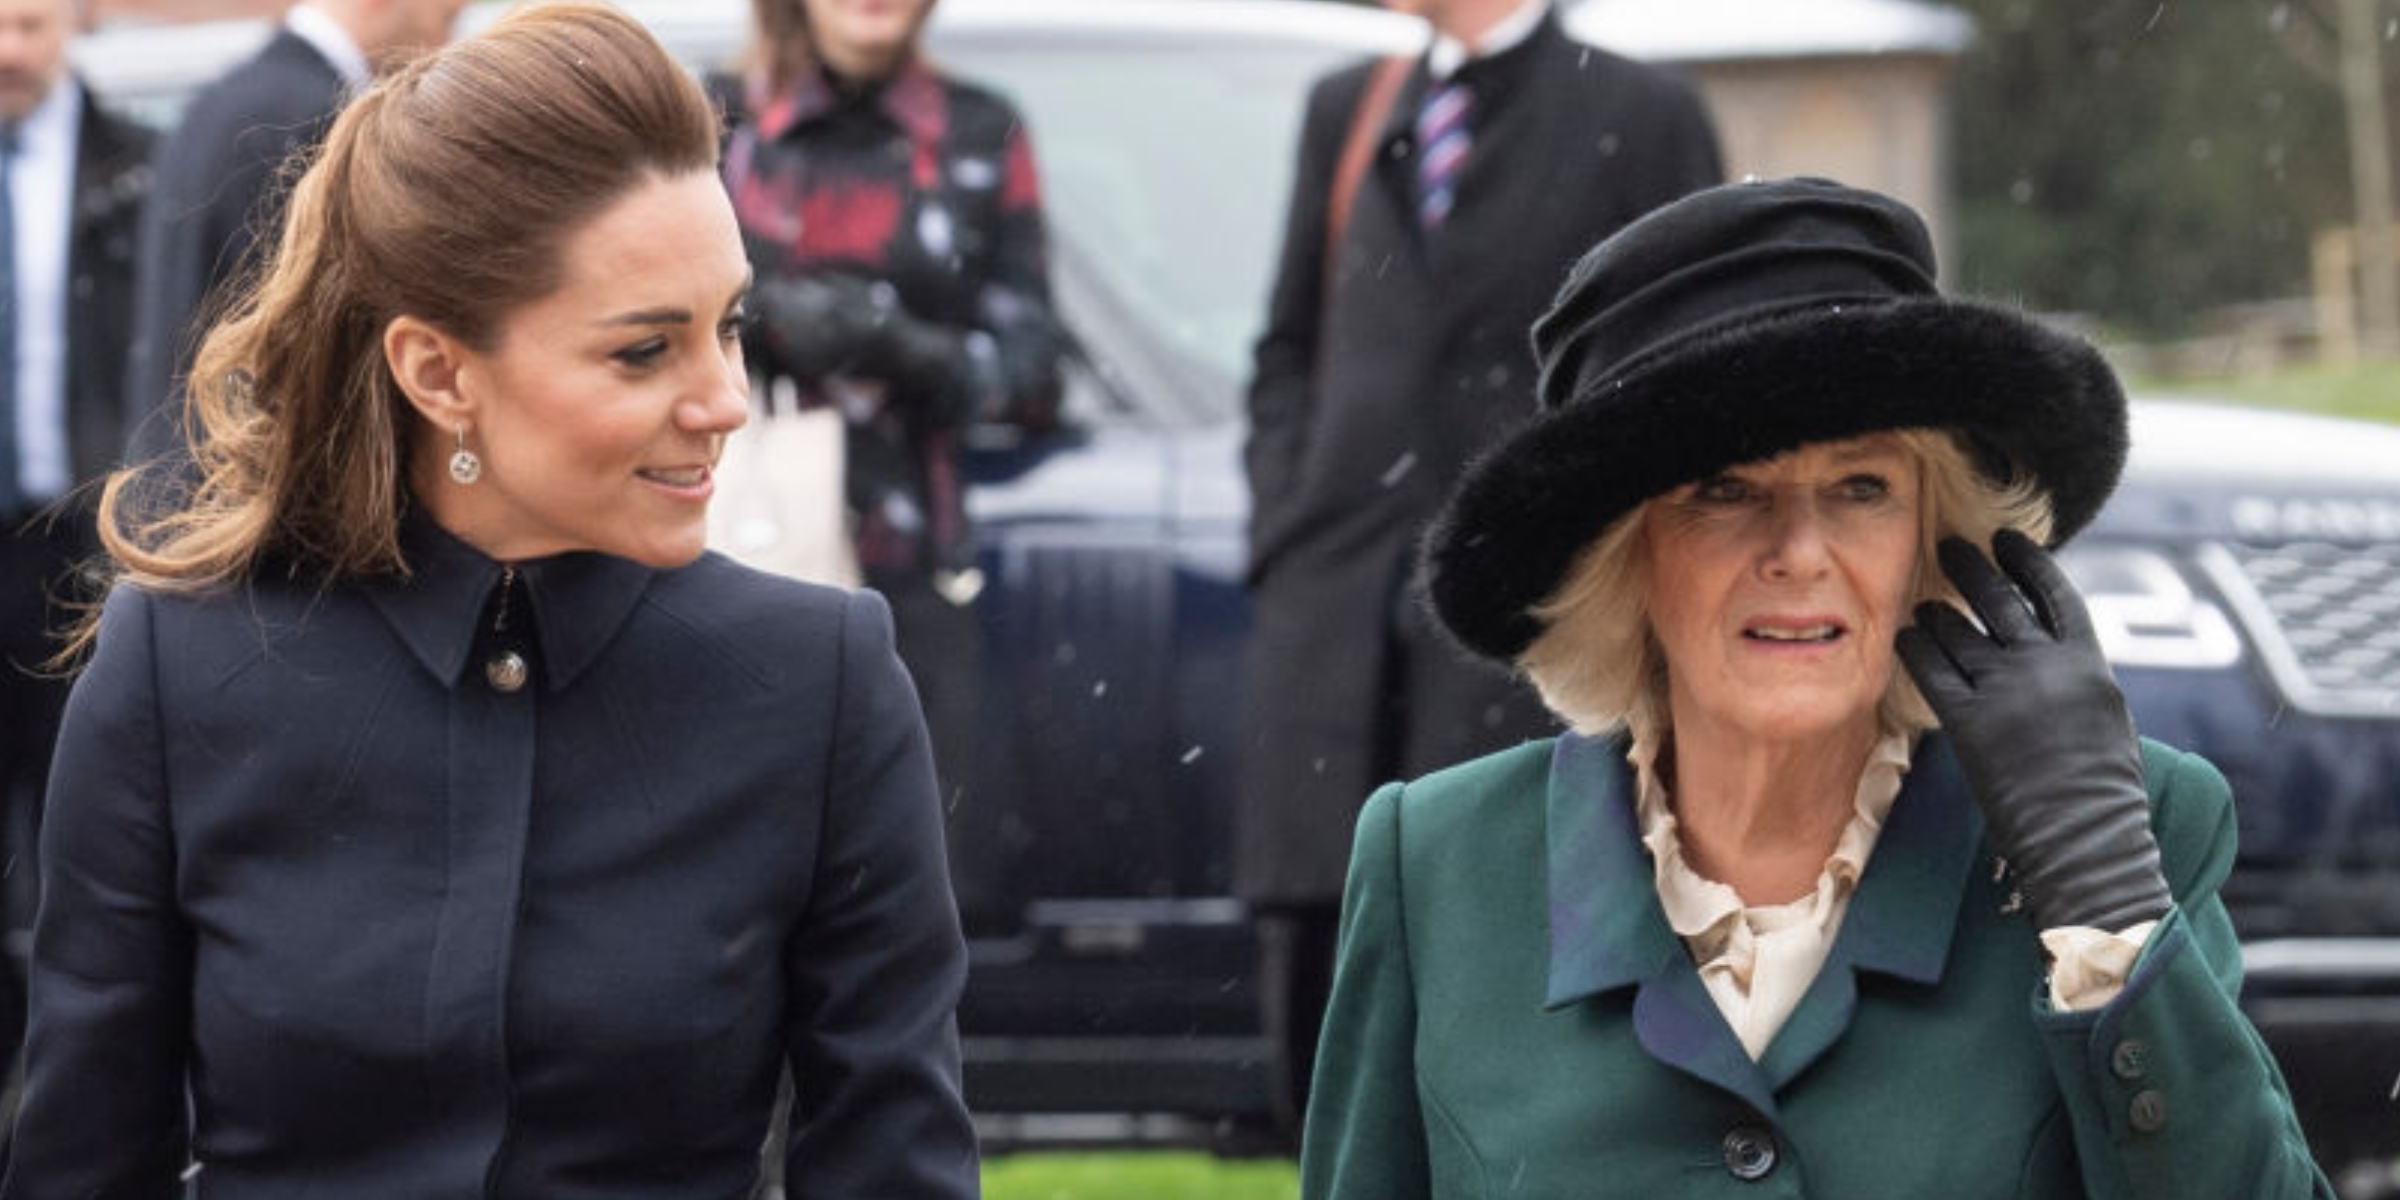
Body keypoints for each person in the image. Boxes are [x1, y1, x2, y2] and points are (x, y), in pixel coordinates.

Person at [6, 6, 977, 1196]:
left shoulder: (821, 682)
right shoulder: (180, 668)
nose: (724, 397)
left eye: (728, 327)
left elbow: (895, 1160)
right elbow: (84, 1159)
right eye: (643, 351)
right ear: (437, 372)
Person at [1303, 177, 2332, 1198]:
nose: (1800, 551)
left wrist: (2109, 922)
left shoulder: (2137, 825)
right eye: (1725, 490)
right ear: (1624, 559)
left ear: (1934, 538)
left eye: (1862, 488)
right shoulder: (1437, 867)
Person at [1236, 0, 1721, 1129]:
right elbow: (1289, 351)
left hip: (1528, 626)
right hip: (1336, 618)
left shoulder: (1639, 113)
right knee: (1325, 979)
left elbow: (1689, 370)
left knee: (1513, 955)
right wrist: (1289, 516)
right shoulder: (1349, 108)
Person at [722, 0, 1060, 817]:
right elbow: (644, 327)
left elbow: (1031, 372)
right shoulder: (720, 120)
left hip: (920, 559)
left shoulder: (979, 128)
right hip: (746, 542)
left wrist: (902, 347)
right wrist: (760, 319)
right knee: (748, 853)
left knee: (914, 865)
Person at [0, 0, 150, 1096]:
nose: (10, 50)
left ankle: (75, 1076)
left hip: (78, 545)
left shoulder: (136, 169)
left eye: (34, 23)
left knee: (81, 818)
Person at [121, 0, 466, 462]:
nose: (446, 42)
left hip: (189, 461)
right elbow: (308, 339)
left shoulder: (232, 97)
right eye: (445, 18)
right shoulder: (316, 115)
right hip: (245, 469)